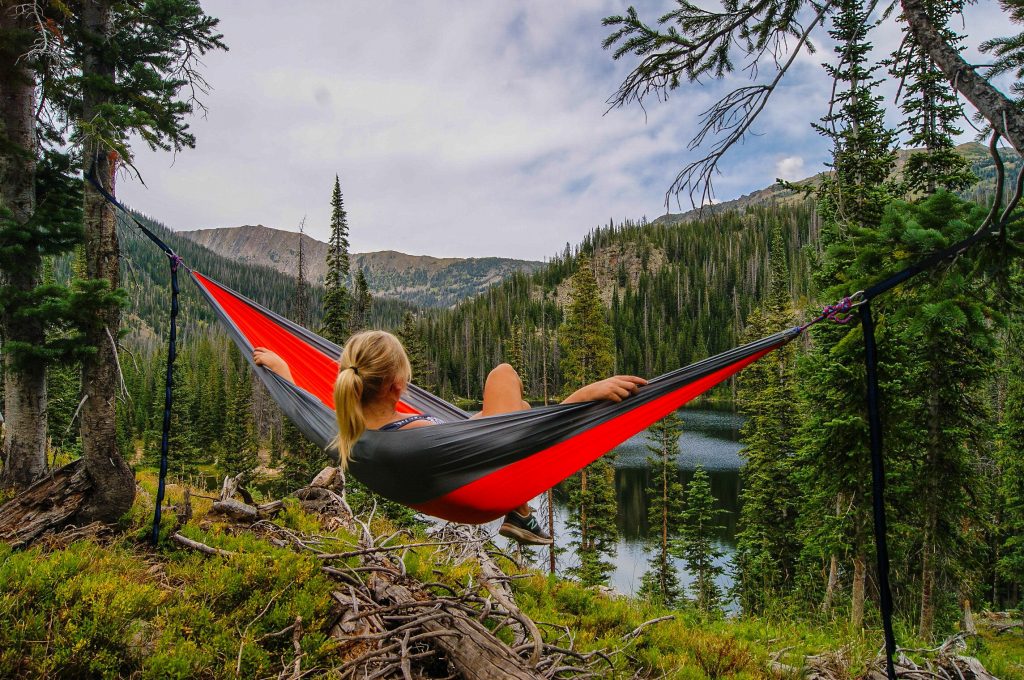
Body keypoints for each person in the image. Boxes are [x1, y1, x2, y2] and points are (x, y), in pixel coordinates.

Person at [253, 330, 647, 545]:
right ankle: (520, 511)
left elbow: (306, 407)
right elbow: (518, 445)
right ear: (397, 385)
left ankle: (522, 513)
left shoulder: (345, 431)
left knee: (520, 407)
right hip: (479, 492)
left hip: (454, 469)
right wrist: (579, 400)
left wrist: (284, 372)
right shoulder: (416, 438)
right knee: (503, 374)